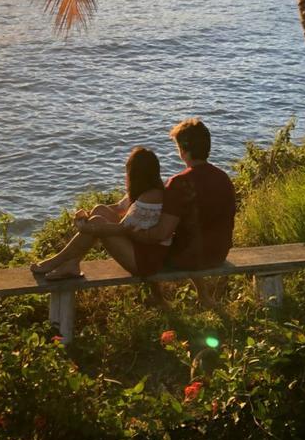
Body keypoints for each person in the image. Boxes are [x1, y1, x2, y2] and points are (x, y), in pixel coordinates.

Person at [32, 119, 237, 308]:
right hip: (218, 253)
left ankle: (61, 262)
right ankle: (70, 263)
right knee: (106, 215)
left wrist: (129, 232)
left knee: (123, 228)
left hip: (188, 257)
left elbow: (160, 234)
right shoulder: (223, 178)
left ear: (183, 150)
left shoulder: (180, 183)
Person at [30, 146, 171, 280]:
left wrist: (87, 227)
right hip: (140, 249)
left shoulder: (151, 196)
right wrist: (87, 213)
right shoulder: (147, 191)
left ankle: (57, 261)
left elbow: (123, 228)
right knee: (99, 210)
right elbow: (118, 207)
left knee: (98, 221)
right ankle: (71, 264)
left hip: (147, 262)